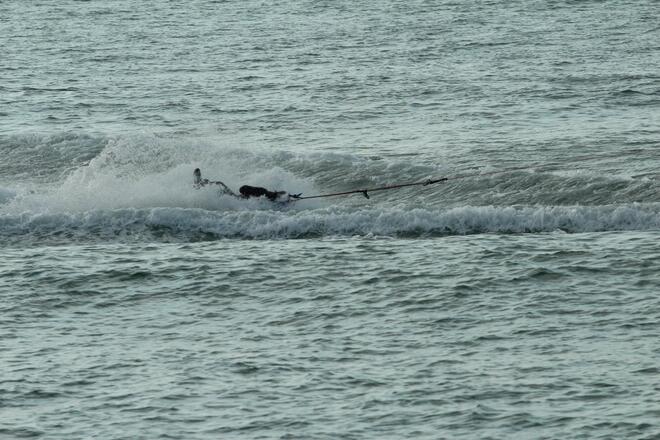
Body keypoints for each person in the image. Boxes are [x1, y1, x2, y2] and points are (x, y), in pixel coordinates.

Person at [193, 168, 300, 201]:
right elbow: (280, 193)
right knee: (220, 185)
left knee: (220, 186)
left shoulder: (264, 194)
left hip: (235, 198)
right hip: (234, 198)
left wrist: (290, 196)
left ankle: (200, 182)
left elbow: (280, 193)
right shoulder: (263, 195)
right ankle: (200, 182)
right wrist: (290, 196)